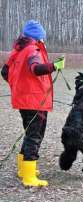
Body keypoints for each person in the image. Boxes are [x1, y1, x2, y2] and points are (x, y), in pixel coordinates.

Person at [1, 20, 65, 186]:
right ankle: (29, 178)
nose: (44, 40)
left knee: (30, 133)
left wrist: (19, 86)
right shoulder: (33, 50)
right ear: (38, 37)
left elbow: (4, 71)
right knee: (35, 136)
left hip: (24, 99)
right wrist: (55, 66)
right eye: (42, 37)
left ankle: (24, 169)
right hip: (35, 101)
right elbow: (36, 69)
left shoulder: (18, 50)